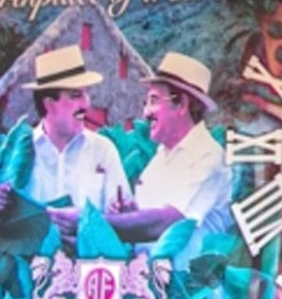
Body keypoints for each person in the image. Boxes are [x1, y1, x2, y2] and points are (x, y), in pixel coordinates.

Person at [50, 52, 232, 252]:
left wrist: (88, 222)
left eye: (154, 100)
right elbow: (145, 225)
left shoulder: (207, 156)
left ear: (182, 104)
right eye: (146, 102)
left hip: (187, 281)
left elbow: (165, 223)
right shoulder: (161, 156)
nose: (146, 112)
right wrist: (129, 212)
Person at [0, 45, 130, 227]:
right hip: (29, 254)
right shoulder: (17, 152)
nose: (86, 104)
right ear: (49, 104)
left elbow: (124, 217)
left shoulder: (102, 150)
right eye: (75, 95)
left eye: (86, 94)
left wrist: (119, 212)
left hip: (90, 254)